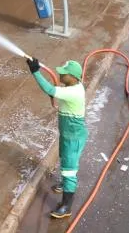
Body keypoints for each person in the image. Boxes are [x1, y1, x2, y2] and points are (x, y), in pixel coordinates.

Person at [26, 58, 87, 218]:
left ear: (73, 77)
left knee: (69, 171)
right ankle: (64, 184)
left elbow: (49, 89)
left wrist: (35, 72)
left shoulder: (72, 92)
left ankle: (66, 206)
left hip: (73, 139)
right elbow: (54, 91)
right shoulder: (74, 86)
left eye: (63, 74)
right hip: (68, 135)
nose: (60, 75)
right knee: (64, 161)